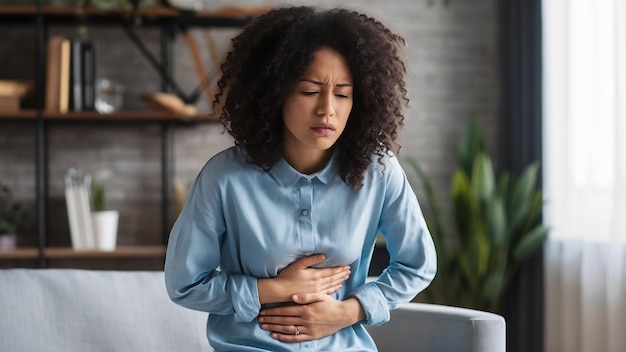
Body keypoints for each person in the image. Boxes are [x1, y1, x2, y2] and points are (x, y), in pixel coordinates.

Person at [164, 5, 436, 351]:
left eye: (342, 93)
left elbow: (418, 265)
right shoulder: (224, 178)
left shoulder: (379, 172)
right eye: (309, 91)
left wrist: (348, 312)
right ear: (274, 94)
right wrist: (272, 289)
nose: (327, 109)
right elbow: (184, 283)